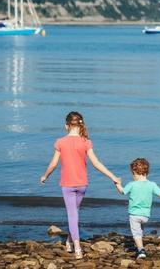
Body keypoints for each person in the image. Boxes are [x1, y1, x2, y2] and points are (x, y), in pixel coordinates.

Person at [40, 111, 120, 259]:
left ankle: (77, 248)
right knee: (74, 213)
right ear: (80, 124)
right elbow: (96, 163)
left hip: (67, 185)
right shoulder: (86, 142)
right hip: (82, 184)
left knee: (72, 214)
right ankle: (69, 241)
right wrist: (112, 176)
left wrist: (45, 175)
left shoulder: (60, 142)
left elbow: (53, 164)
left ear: (66, 126)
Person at [115, 158, 160, 259]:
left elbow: (122, 191)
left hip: (134, 214)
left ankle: (141, 250)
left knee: (136, 233)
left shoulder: (132, 184)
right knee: (140, 228)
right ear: (146, 172)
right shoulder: (152, 184)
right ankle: (140, 242)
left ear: (135, 172)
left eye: (132, 174)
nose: (132, 176)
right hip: (145, 215)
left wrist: (117, 184)